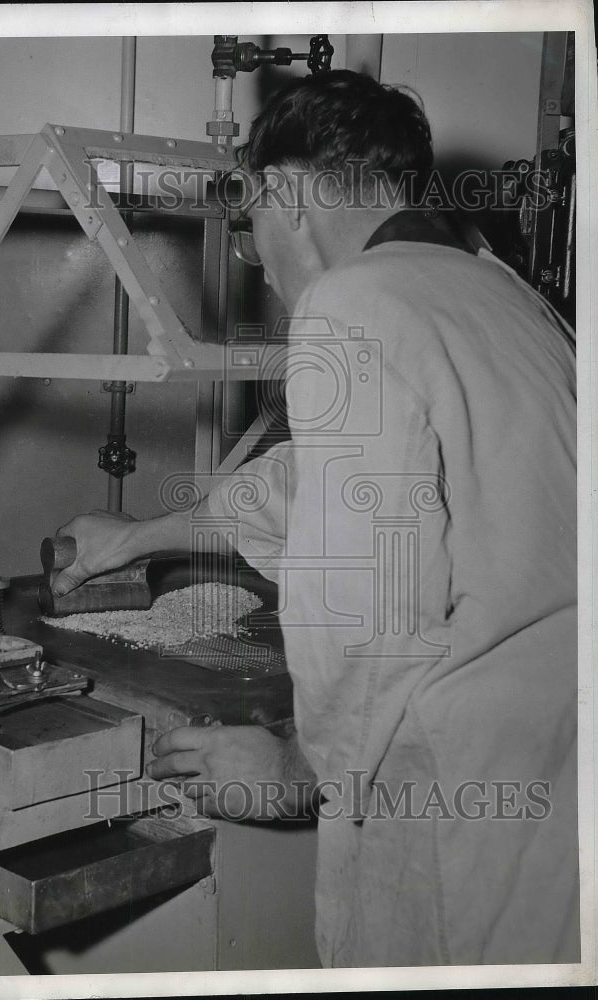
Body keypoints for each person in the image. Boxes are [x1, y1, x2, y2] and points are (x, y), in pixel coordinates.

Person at [53, 71, 578, 967]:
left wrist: (294, 773)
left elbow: (369, 606)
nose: (260, 259)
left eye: (253, 227)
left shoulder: (354, 304)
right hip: (557, 781)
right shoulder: (503, 296)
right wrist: (136, 538)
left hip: (442, 792)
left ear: (289, 196)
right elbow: (309, 487)